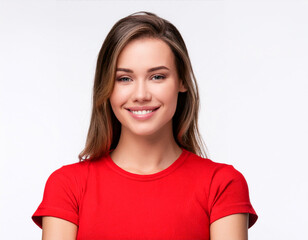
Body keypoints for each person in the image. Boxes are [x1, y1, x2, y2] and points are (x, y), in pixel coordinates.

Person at [32, 11, 258, 240]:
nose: (140, 95)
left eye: (157, 77)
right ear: (106, 86)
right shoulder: (67, 186)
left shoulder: (222, 185)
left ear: (182, 81)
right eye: (124, 79)